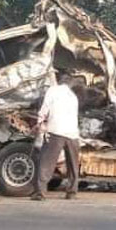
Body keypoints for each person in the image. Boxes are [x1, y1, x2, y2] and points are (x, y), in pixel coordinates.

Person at [32, 72, 81, 201]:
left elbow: (45, 108)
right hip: (72, 134)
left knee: (46, 162)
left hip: (56, 131)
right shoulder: (73, 96)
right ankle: (72, 192)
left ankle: (40, 193)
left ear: (59, 81)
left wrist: (39, 123)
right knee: (73, 165)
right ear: (69, 83)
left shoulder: (53, 91)